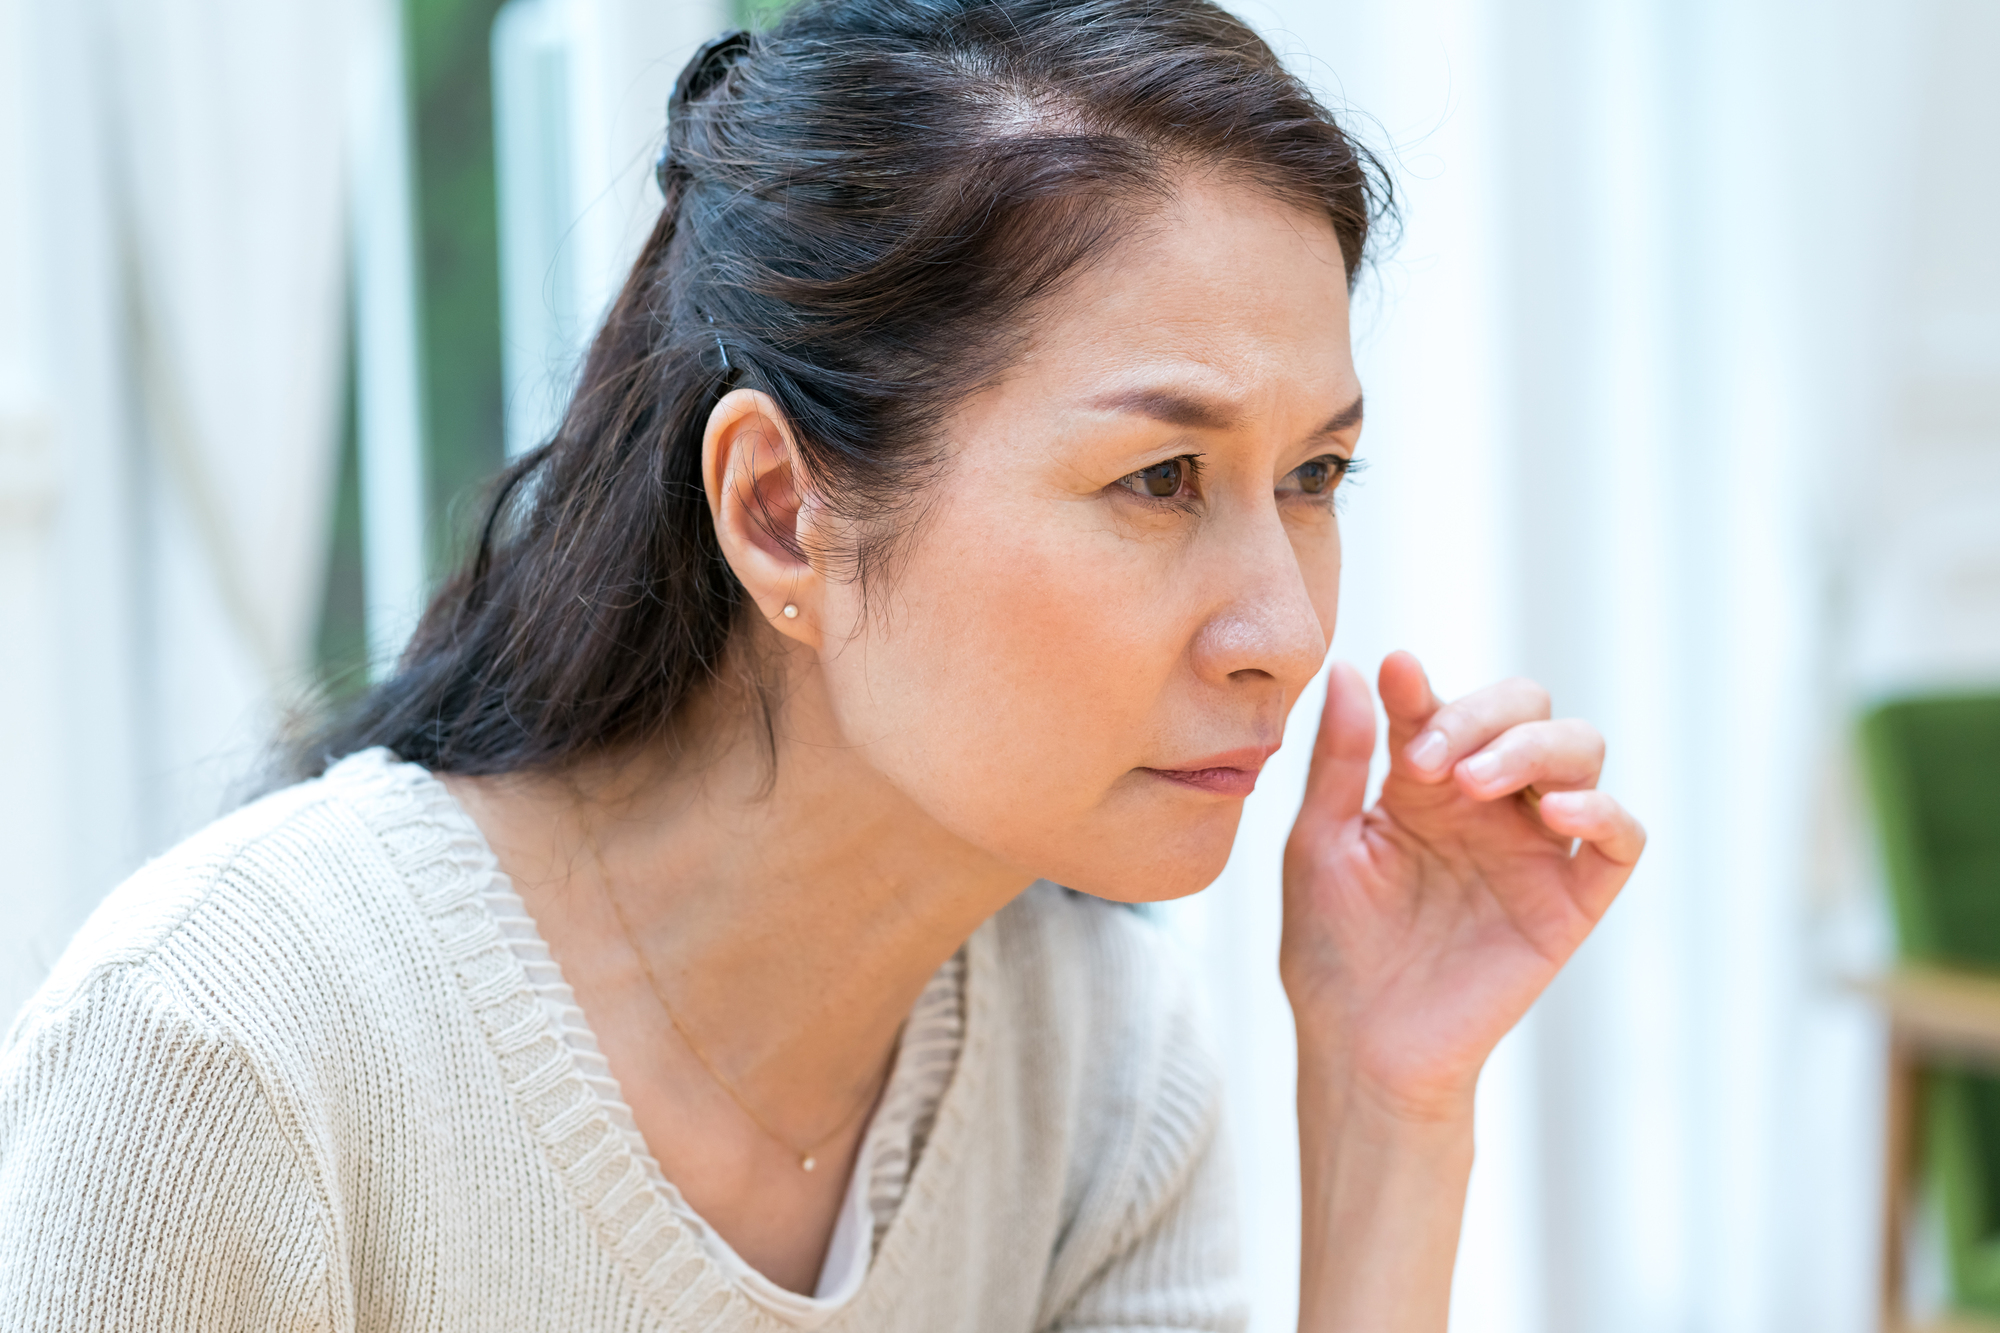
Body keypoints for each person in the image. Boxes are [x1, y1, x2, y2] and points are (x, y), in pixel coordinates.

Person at [0, 0, 1644, 1327]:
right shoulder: (231, 1052)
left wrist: (1386, 1112)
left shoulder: (1095, 1063)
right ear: (780, 511)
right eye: (1159, 479)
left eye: (1315, 477)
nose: (1285, 630)